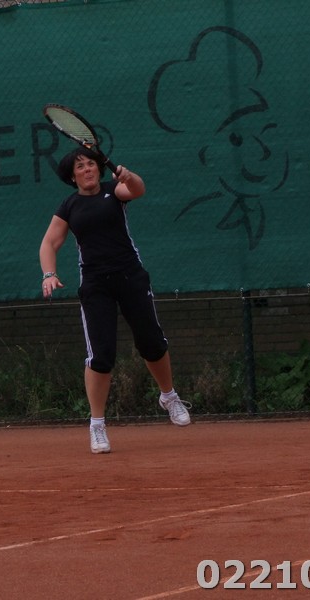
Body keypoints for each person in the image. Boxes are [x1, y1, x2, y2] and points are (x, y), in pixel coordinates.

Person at [39, 146, 191, 454]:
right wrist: (49, 274)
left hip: (130, 277)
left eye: (91, 164)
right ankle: (97, 425)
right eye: (80, 166)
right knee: (101, 356)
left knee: (152, 342)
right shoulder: (69, 206)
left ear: (98, 168)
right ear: (72, 176)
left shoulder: (113, 191)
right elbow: (49, 243)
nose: (87, 169)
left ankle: (169, 397)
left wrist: (128, 175)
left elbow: (137, 189)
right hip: (96, 286)